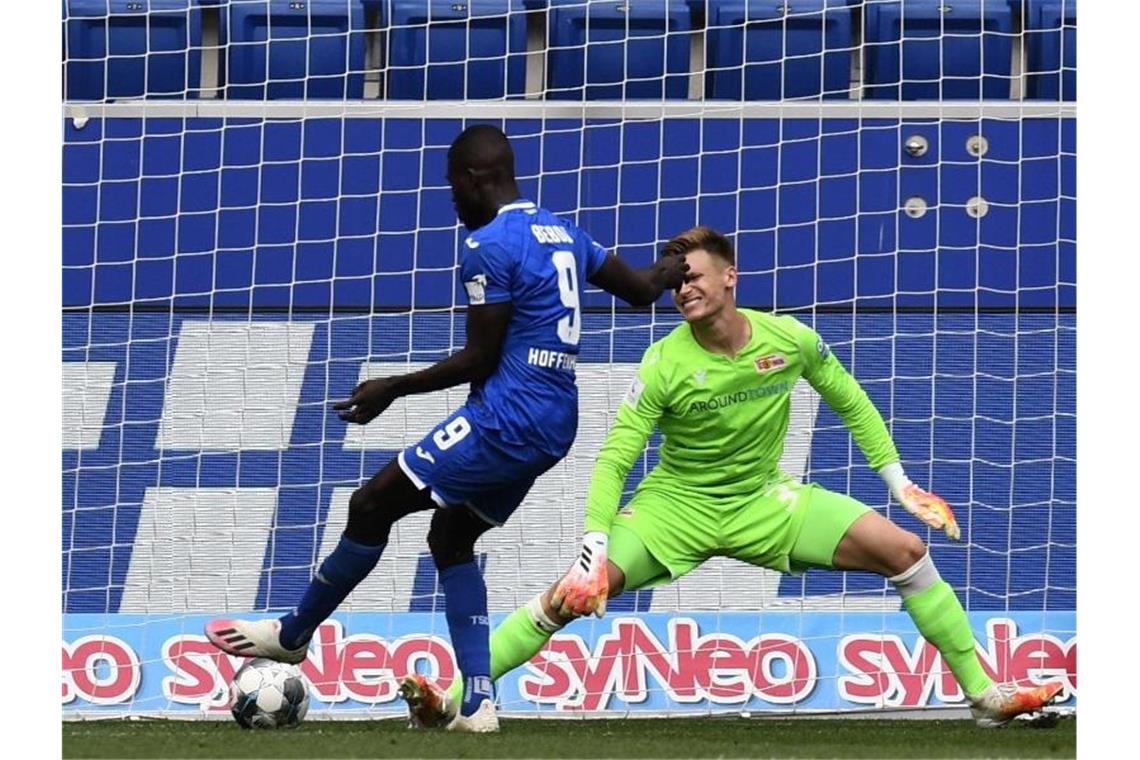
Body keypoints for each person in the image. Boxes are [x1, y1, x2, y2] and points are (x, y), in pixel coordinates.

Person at [401, 225, 1064, 729]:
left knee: (907, 552)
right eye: (674, 281)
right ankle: (456, 701)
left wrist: (898, 484)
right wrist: (595, 546)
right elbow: (615, 458)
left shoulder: (789, 341)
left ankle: (986, 694)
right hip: (673, 509)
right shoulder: (662, 363)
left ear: (729, 279)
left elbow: (850, 400)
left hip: (763, 502)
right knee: (568, 596)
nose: (681, 287)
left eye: (692, 276)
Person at [204, 124, 688, 733]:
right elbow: (643, 292)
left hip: (506, 419)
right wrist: (672, 266)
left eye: (452, 188)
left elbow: (478, 359)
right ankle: (480, 702)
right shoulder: (560, 229)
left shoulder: (489, 244)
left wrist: (391, 387)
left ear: (472, 179)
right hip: (554, 423)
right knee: (451, 540)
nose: (452, 202)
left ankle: (294, 634)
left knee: (371, 503)